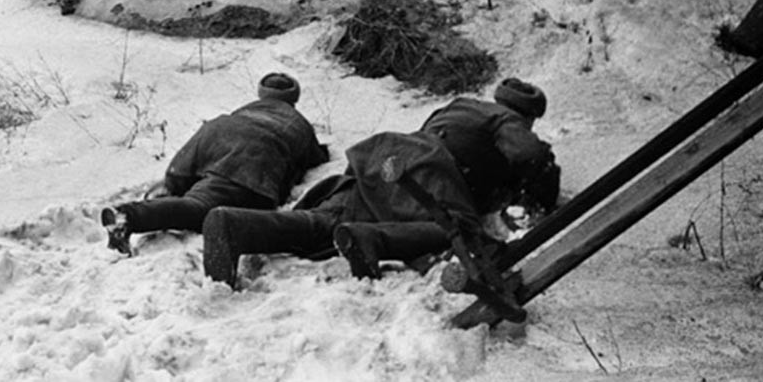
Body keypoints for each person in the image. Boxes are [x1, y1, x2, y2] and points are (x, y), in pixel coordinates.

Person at [201, 77, 559, 288]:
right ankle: (371, 238)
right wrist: (543, 185)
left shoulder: (460, 105)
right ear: (527, 114)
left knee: (329, 222)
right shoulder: (505, 119)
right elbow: (529, 154)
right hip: (431, 172)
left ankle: (237, 226)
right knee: (457, 231)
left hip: (384, 158)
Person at [100, 72, 329, 256]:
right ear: (294, 99)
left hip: (225, 171)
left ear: (261, 94)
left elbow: (186, 160)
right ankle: (128, 217)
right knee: (201, 210)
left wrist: (173, 183)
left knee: (197, 205)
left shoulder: (229, 120)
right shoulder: (299, 125)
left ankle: (130, 215)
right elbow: (316, 157)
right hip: (256, 184)